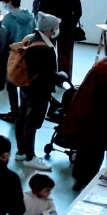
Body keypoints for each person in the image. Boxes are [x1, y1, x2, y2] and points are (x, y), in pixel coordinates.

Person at [59, 52, 107, 189]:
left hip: (83, 114)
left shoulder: (103, 65)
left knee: (83, 150)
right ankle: (87, 181)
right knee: (95, 153)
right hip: (97, 121)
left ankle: (78, 179)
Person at [14, 13, 63, 171]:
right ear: (51, 29)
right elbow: (47, 74)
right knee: (32, 123)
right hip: (39, 90)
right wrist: (61, 76)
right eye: (56, 27)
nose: (57, 29)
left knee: (22, 118)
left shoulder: (30, 38)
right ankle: (30, 156)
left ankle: (21, 151)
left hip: (25, 85)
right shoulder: (45, 49)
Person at [33, 0, 82, 79]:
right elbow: (78, 12)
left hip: (48, 27)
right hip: (66, 27)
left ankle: (47, 75)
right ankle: (64, 77)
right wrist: (70, 22)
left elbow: (39, 8)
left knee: (46, 51)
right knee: (65, 54)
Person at [0, 0, 36, 123]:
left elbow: (4, 39)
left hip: (13, 55)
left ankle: (15, 111)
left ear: (9, 2)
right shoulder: (30, 16)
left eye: (3, 2)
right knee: (25, 83)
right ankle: (24, 112)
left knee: (11, 83)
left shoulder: (8, 19)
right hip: (29, 54)